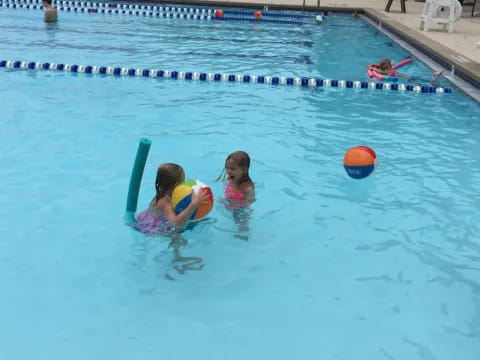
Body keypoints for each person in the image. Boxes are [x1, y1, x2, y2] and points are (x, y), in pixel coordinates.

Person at [134, 163, 209, 236]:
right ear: (176, 185)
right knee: (177, 233)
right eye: (183, 182)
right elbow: (176, 223)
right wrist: (193, 205)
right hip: (155, 228)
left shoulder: (160, 193)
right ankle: (175, 247)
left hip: (147, 220)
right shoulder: (165, 202)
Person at [374, 58, 443, 84]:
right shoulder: (388, 70)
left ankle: (435, 75)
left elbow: (383, 72)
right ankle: (434, 75)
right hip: (409, 78)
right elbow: (382, 71)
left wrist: (374, 69)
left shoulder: (390, 71)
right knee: (422, 84)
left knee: (430, 82)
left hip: (411, 77)